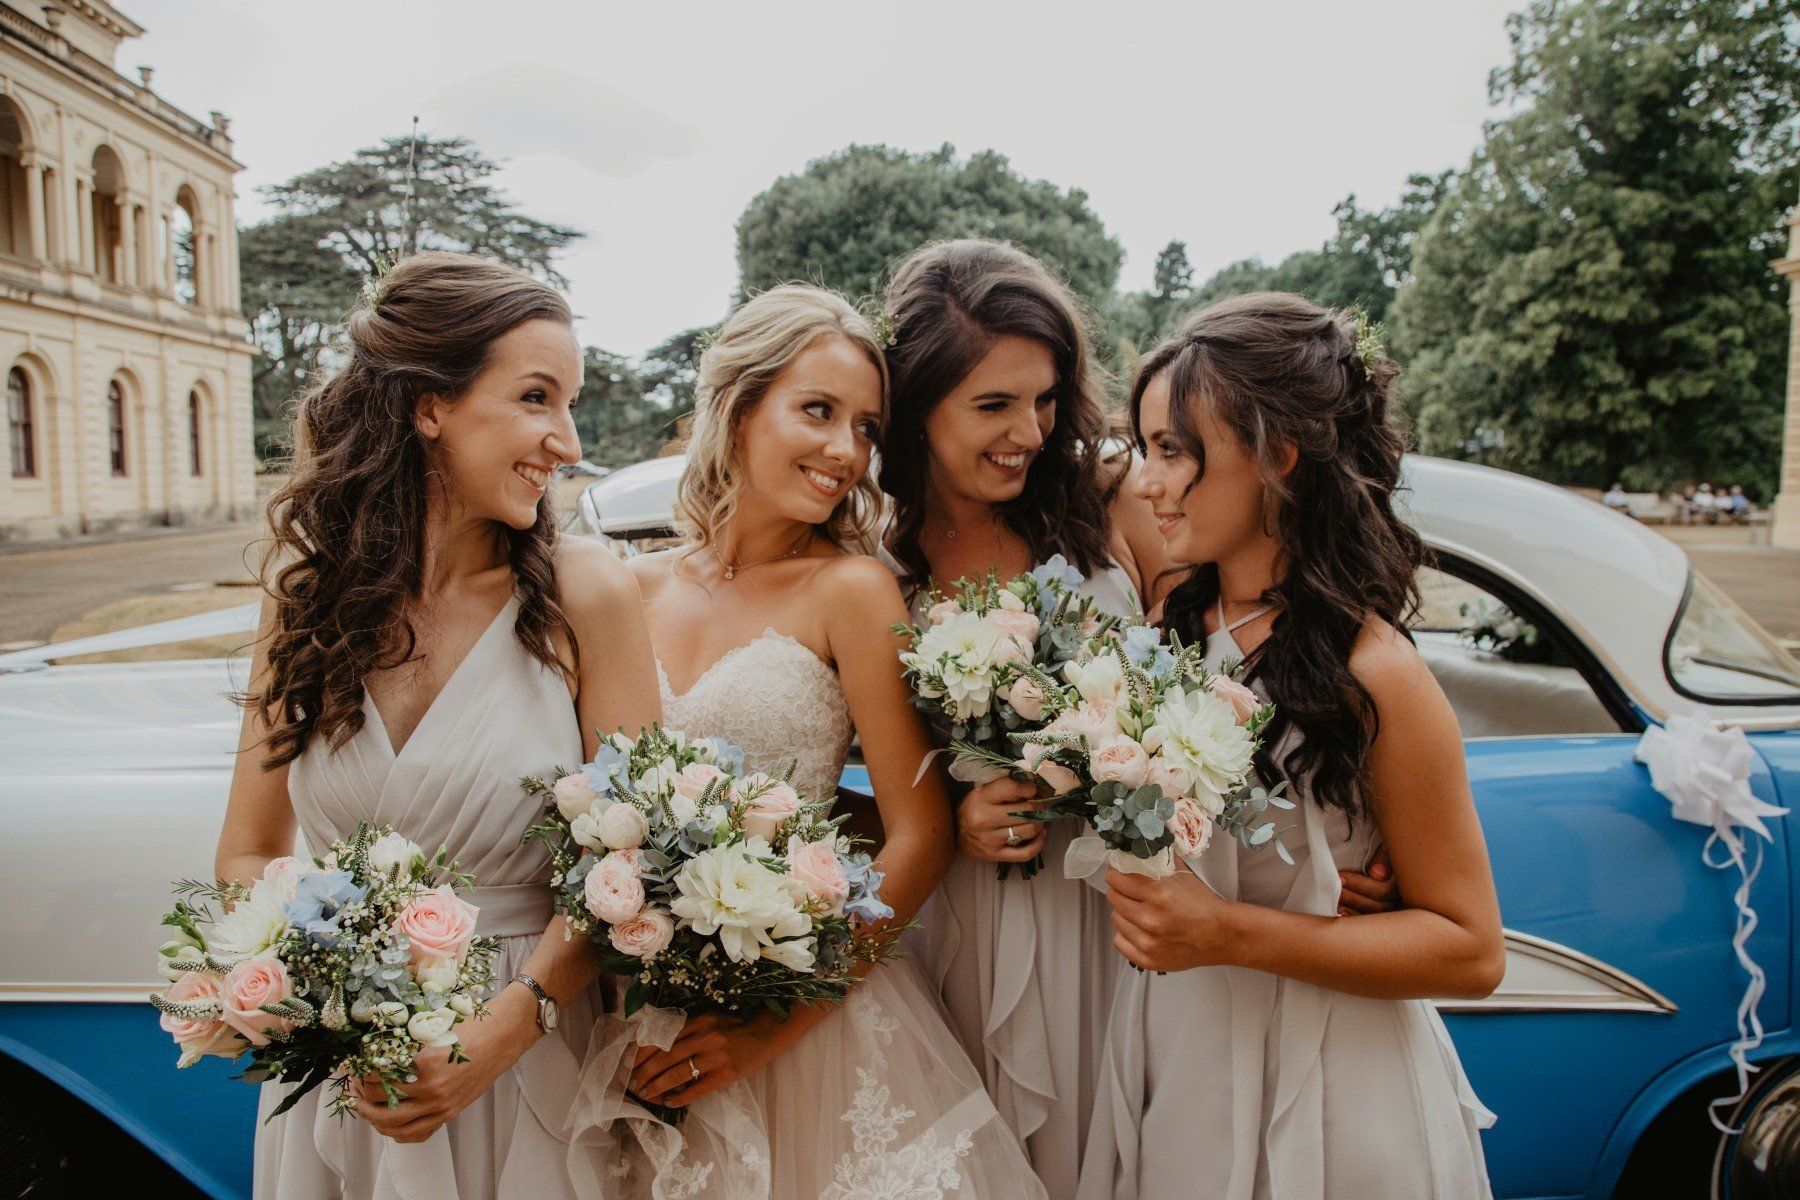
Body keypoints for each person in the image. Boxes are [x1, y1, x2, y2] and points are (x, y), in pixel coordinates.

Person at [877, 240, 1400, 1197]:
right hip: (958, 919)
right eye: (992, 406)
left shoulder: (1109, 495)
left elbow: (1253, 664)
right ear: (916, 406)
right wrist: (947, 823)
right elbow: (830, 774)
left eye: (1045, 398)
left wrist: (1346, 836)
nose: (1029, 433)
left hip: (1131, 912)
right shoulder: (873, 554)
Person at [217, 252, 661, 1200]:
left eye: (570, 404)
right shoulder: (306, 599)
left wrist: (502, 1034)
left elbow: (627, 863)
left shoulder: (586, 593)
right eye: (538, 398)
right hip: (350, 1084)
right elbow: (250, 851)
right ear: (429, 405)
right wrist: (314, 1002)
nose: (568, 440)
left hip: (528, 1059)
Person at [590, 285, 1047, 1199]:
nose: (846, 451)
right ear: (737, 405)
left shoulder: (850, 591)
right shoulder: (623, 589)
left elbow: (919, 833)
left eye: (867, 429)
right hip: (628, 1020)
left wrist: (778, 1024)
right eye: (817, 411)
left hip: (809, 1029)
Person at [1080, 292, 1501, 1200]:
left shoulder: (1376, 670)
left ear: (1277, 454)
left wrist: (1232, 930)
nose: (1146, 481)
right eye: (1145, 448)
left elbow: (1471, 949)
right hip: (1181, 1055)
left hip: (1327, 1083)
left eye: (1173, 451)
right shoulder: (1174, 622)